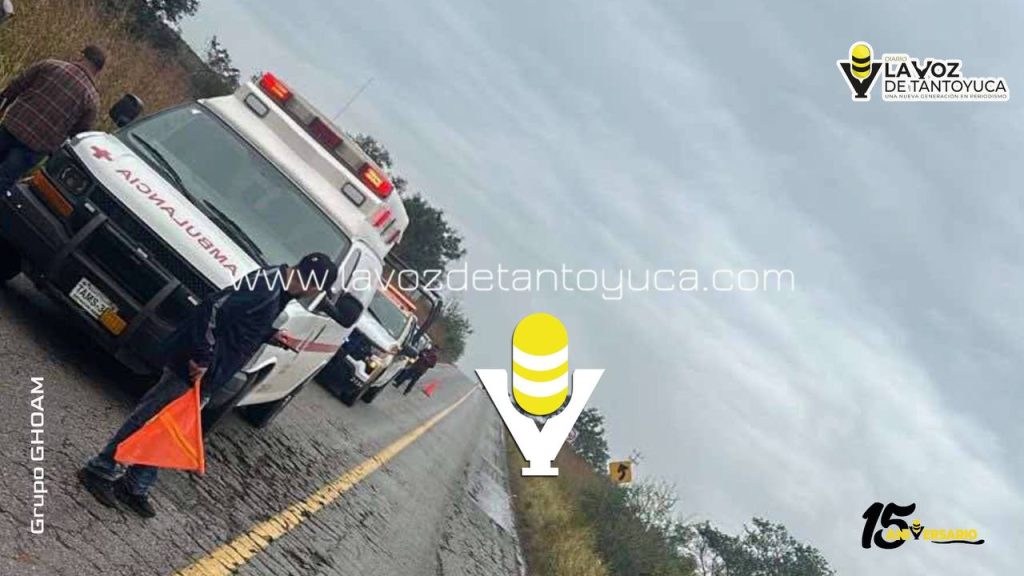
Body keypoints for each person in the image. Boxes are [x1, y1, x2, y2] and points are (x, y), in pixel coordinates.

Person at [78, 253, 338, 518]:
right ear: (311, 283)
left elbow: (240, 322)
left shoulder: (277, 291)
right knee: (149, 419)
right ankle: (100, 470)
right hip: (194, 367)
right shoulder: (266, 287)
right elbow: (212, 310)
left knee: (169, 429)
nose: (315, 294)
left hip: (212, 372)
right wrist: (201, 357)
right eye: (319, 289)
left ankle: (135, 485)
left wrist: (270, 335)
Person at [0, 45, 104, 191]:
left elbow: (16, 86)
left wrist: (3, 105)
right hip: (35, 147)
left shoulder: (50, 65)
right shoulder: (91, 100)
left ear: (81, 56)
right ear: (97, 71)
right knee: (4, 178)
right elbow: (77, 135)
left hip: (13, 126)